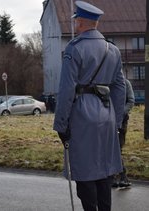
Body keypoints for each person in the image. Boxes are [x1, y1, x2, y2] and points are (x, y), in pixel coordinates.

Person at [53, 1, 126, 211]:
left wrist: (61, 125)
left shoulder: (74, 49)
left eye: (77, 20)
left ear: (82, 22)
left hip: (82, 115)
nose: (75, 24)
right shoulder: (113, 50)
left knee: (85, 172)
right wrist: (117, 120)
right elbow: (119, 89)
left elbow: (66, 90)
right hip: (107, 113)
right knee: (105, 170)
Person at [113, 78, 135, 188]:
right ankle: (115, 177)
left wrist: (120, 113)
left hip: (121, 121)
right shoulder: (107, 82)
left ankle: (122, 176)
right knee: (110, 149)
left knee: (117, 148)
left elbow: (131, 101)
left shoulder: (126, 83)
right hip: (107, 120)